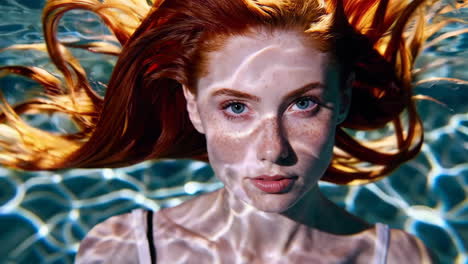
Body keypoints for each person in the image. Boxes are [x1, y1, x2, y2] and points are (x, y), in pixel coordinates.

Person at [0, 0, 461, 263]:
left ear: (341, 101)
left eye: (304, 104)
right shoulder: (124, 250)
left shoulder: (397, 257)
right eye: (236, 107)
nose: (272, 150)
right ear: (193, 108)